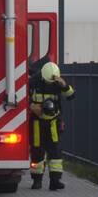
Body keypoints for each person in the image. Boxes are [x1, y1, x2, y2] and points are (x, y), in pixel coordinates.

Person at [28, 61, 75, 190]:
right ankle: (37, 181)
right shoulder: (33, 82)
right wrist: (31, 105)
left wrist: (65, 86)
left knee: (55, 151)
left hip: (53, 122)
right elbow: (22, 96)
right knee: (37, 151)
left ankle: (55, 181)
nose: (50, 83)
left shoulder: (57, 83)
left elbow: (71, 96)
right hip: (37, 122)